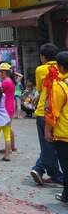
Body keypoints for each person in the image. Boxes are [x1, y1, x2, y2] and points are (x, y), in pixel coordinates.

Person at [32, 43, 63, 186]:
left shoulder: (40, 69)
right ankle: (50, 172)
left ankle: (42, 169)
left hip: (43, 110)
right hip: (59, 111)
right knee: (54, 144)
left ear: (43, 57)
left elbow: (39, 88)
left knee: (47, 144)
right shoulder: (61, 67)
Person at [45, 51, 68, 204]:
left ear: (60, 66)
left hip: (64, 133)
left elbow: (53, 111)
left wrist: (47, 130)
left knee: (66, 167)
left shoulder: (59, 85)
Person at [0, 62, 17, 151]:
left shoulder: (6, 82)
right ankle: (12, 146)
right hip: (10, 106)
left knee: (6, 129)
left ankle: (8, 148)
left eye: (0, 72)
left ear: (4, 72)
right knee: (9, 128)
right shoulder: (10, 80)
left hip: (6, 107)